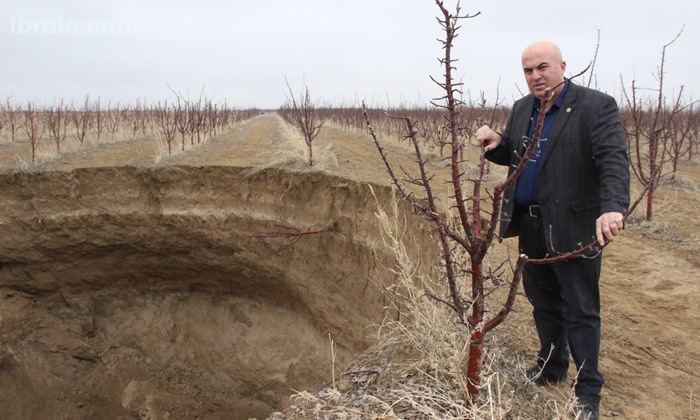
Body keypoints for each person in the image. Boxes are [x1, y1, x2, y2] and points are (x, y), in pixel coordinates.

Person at [476, 40, 630, 420]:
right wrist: (497, 144)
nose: (535, 76)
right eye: (528, 71)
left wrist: (612, 206)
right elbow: (517, 152)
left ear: (563, 65)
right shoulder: (522, 107)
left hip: (573, 226)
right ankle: (551, 366)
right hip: (529, 225)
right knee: (544, 304)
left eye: (542, 67)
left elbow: (613, 158)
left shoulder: (596, 106)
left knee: (581, 309)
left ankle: (588, 389)